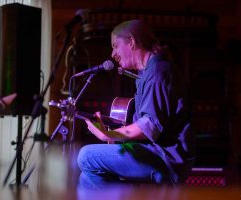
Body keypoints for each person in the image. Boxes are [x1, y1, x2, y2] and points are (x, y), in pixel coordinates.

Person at [77, 19, 195, 190]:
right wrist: (113, 132)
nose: (112, 54)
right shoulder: (149, 74)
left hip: (165, 159)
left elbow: (149, 127)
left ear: (131, 42)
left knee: (86, 156)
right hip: (154, 155)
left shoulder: (157, 73)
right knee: (87, 178)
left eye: (115, 46)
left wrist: (108, 135)